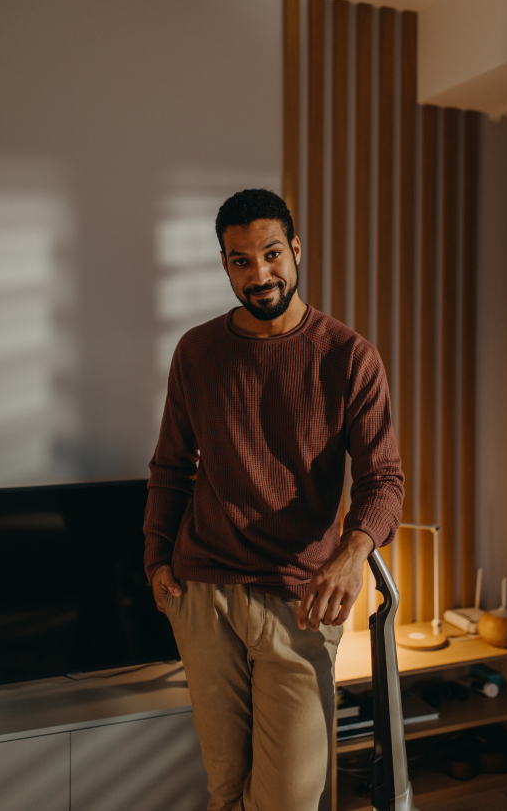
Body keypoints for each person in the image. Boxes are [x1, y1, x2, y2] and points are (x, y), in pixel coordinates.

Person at [144, 188, 404, 811]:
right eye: (240, 260)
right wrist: (156, 558)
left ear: (294, 250)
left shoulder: (348, 357)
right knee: (227, 789)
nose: (258, 274)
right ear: (225, 266)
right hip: (204, 594)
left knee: (287, 798)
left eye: (270, 254)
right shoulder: (197, 353)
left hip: (301, 602)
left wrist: (351, 554)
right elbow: (170, 468)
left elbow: (383, 481)